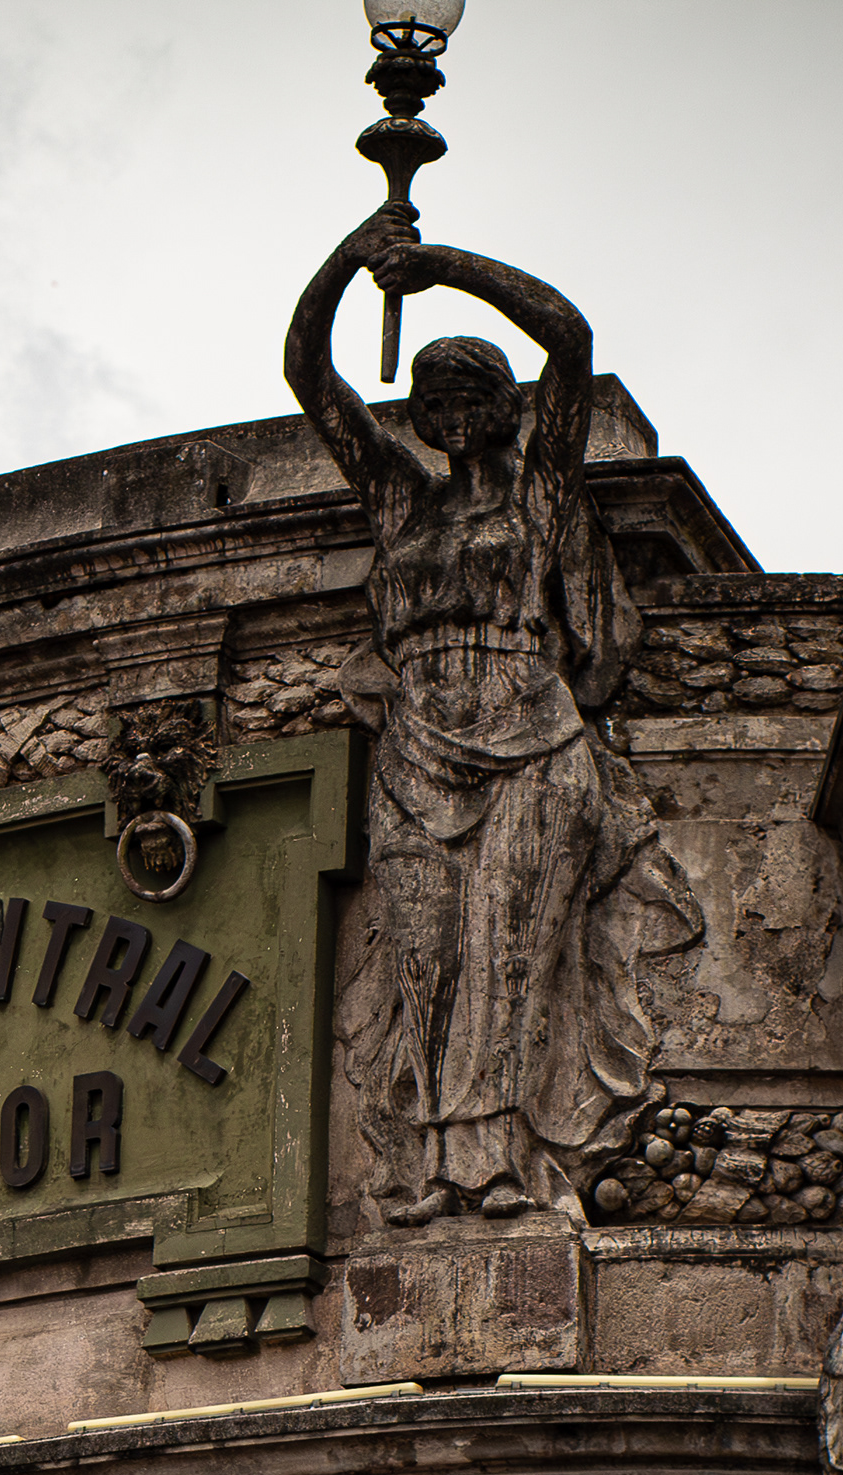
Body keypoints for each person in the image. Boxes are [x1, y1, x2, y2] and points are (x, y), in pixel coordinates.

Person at [286, 210, 694, 1223]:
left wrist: (441, 269)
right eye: (431, 394)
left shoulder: (544, 497)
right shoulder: (401, 505)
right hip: (417, 753)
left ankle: (499, 1165)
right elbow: (309, 374)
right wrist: (351, 258)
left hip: (533, 749)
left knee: (510, 962)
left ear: (507, 406)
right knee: (425, 963)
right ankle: (425, 1170)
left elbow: (569, 337)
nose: (449, 407)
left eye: (470, 388)